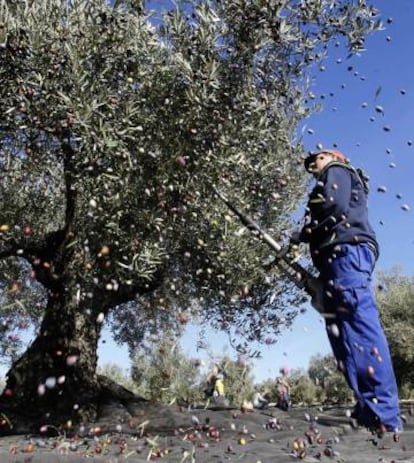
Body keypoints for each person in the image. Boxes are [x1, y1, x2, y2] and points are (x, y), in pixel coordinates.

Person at [291, 148, 401, 434]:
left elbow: (332, 205)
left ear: (333, 157)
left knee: (359, 327)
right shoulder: (330, 177)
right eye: (311, 162)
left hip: (346, 251)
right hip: (336, 257)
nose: (313, 163)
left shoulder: (337, 171)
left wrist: (302, 234)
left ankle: (386, 417)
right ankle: (369, 410)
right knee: (342, 334)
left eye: (318, 157)